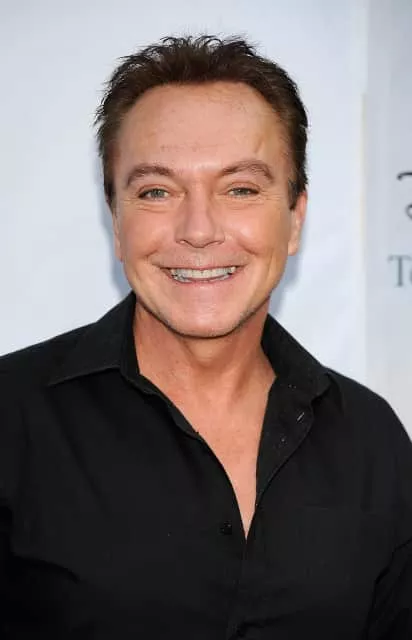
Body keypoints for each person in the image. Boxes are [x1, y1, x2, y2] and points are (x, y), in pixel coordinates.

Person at [0, 35, 411, 639]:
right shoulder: (11, 418)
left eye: (240, 188)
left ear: (294, 218)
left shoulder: (372, 440)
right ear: (116, 220)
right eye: (157, 191)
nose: (198, 230)